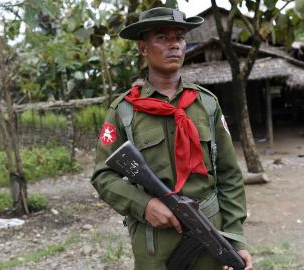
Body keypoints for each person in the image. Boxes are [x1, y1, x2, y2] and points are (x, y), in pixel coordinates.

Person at [91, 7, 253, 270]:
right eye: (162, 38)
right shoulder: (124, 110)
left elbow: (229, 176)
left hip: (210, 235)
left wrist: (236, 240)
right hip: (155, 244)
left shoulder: (207, 104)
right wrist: (144, 205)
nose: (174, 45)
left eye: (179, 37)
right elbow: (103, 176)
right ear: (144, 48)